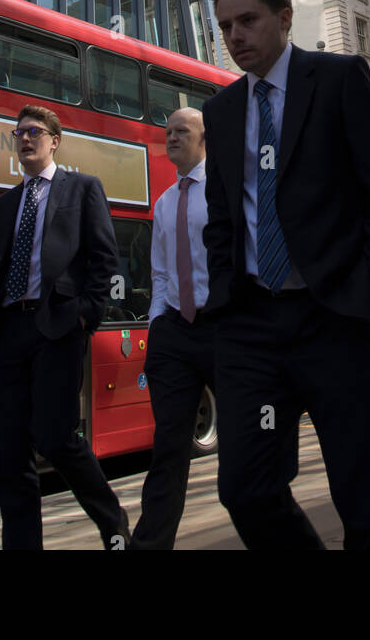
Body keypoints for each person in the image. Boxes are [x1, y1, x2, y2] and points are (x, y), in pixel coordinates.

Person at [203, 0, 370, 551]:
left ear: (284, 18)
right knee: (246, 489)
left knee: (363, 492)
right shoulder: (219, 112)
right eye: (225, 26)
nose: (236, 35)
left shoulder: (340, 78)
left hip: (336, 316)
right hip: (252, 324)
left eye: (248, 20)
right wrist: (224, 297)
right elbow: (221, 218)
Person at [0, 104, 127, 550]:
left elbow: (106, 261)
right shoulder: (2, 207)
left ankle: (112, 521)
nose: (25, 139)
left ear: (55, 141)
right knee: (10, 457)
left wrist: (86, 316)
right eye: (19, 134)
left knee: (56, 438)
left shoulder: (83, 189)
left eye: (34, 132)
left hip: (57, 329)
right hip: (5, 338)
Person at [129, 108, 215, 550]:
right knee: (168, 449)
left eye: (182, 131)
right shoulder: (163, 203)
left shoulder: (222, 189)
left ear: (204, 138)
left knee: (249, 447)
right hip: (174, 336)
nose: (172, 137)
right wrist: (158, 324)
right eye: (167, 132)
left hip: (221, 329)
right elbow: (160, 273)